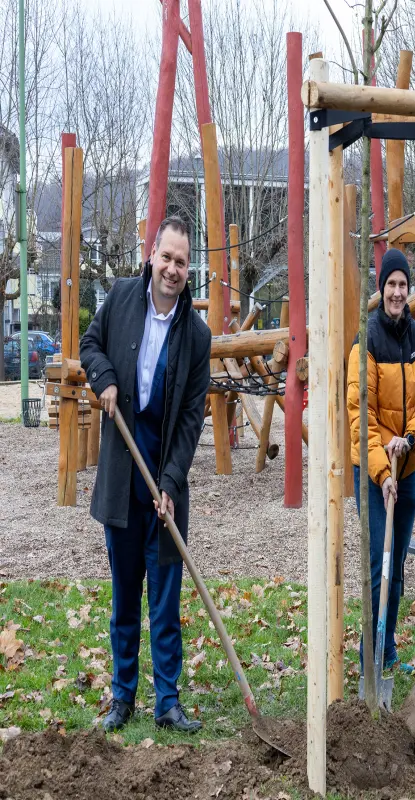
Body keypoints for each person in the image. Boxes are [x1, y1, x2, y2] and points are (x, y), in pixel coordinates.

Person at [81, 216, 211, 733]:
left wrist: (173, 483)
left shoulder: (196, 336)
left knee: (165, 597)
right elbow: (90, 347)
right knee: (125, 593)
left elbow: (189, 421)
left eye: (182, 262)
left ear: (188, 268)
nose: (173, 269)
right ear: (151, 254)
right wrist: (105, 379)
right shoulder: (120, 300)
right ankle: (122, 697)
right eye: (167, 257)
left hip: (163, 483)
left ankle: (168, 701)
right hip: (122, 477)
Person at [346, 248, 415, 670]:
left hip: (410, 465)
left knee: (397, 563)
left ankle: (387, 650)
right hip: (372, 470)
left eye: (403, 285)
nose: (398, 292)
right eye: (391, 285)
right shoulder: (364, 341)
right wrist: (383, 469)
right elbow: (358, 414)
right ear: (380, 289)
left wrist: (410, 438)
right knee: (377, 565)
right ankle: (370, 656)